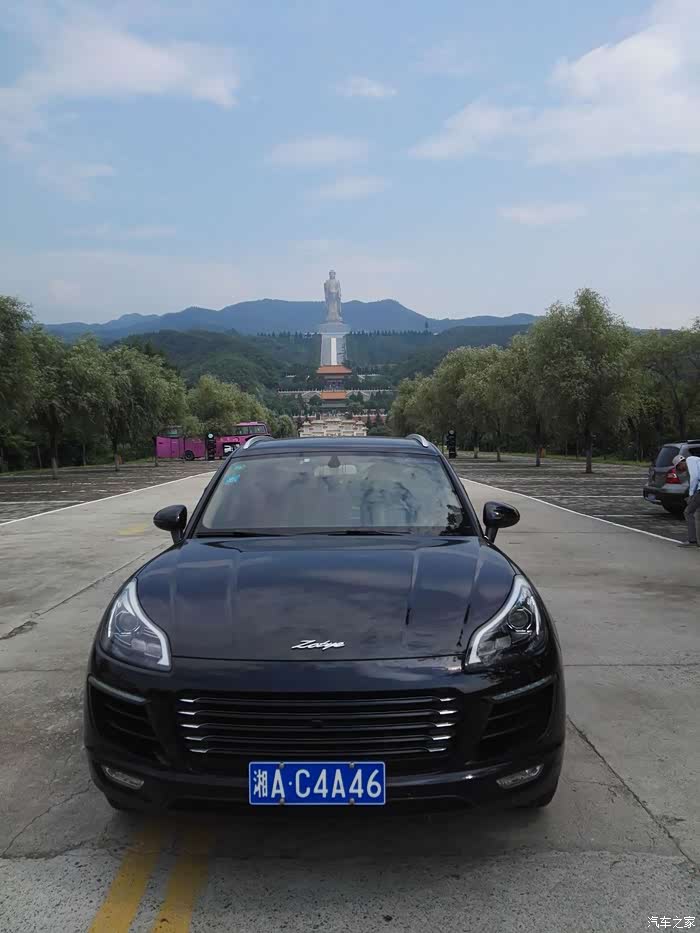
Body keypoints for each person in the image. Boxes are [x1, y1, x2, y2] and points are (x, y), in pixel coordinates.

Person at [674, 453, 700, 548]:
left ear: (680, 463)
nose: (681, 470)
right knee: (697, 513)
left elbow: (695, 477)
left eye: (679, 468)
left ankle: (692, 540)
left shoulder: (690, 460)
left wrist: (691, 495)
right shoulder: (696, 460)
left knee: (688, 512)